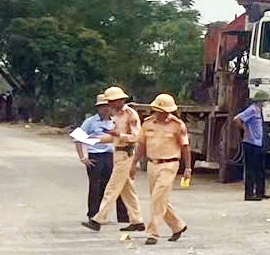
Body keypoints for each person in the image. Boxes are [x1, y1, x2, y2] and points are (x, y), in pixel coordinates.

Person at [82, 86, 145, 232]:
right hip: (117, 152)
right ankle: (137, 220)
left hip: (126, 154)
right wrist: (96, 139)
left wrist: (118, 136)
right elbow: (113, 136)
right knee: (127, 190)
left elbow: (137, 137)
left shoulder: (130, 114)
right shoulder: (116, 114)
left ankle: (98, 219)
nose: (109, 104)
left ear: (120, 100)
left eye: (111, 101)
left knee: (112, 188)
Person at [134, 93, 192, 245]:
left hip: (170, 164)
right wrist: (133, 164)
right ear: (155, 109)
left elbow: (185, 147)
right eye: (161, 111)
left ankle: (152, 233)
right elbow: (141, 145)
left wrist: (188, 168)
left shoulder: (177, 125)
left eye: (167, 112)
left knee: (157, 198)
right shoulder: (147, 124)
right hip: (152, 164)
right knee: (160, 199)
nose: (164, 114)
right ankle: (177, 226)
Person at [74, 94, 129, 224]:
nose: (105, 109)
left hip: (112, 155)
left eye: (107, 106)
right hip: (95, 156)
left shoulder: (115, 121)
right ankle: (94, 215)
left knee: (115, 186)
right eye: (102, 107)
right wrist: (82, 157)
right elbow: (78, 138)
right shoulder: (90, 122)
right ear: (98, 108)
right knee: (95, 187)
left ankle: (123, 217)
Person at [234, 90, 270, 201]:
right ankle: (249, 194)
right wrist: (245, 130)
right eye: (264, 101)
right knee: (251, 169)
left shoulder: (259, 111)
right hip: (250, 143)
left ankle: (260, 192)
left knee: (260, 169)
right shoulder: (252, 109)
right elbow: (237, 119)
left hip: (258, 143)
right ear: (260, 101)